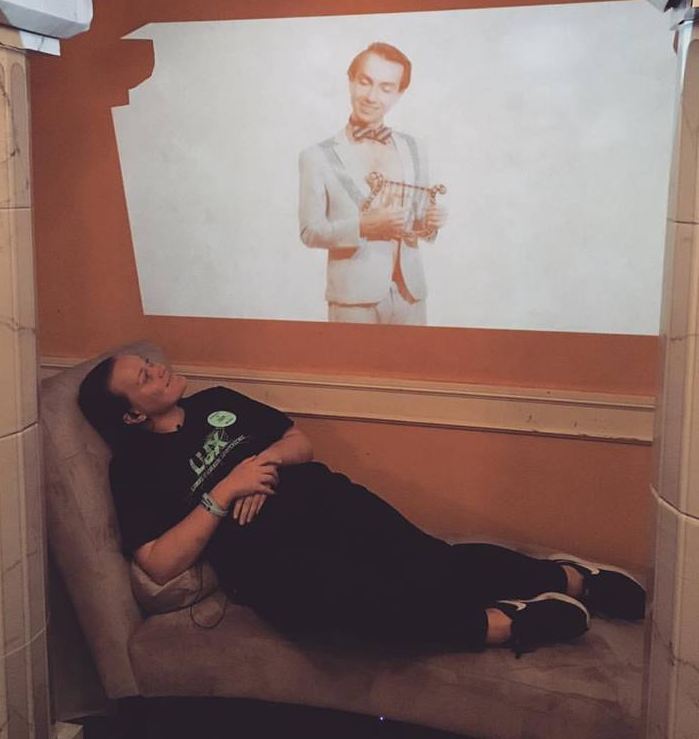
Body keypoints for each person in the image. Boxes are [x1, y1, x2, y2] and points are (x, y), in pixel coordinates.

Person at [78, 352, 646, 659]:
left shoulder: (218, 401)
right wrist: (226, 489)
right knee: (348, 606)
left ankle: (572, 579)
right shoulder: (133, 468)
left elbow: (299, 441)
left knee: (430, 564)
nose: (158, 368)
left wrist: (263, 466)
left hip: (325, 502)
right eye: (143, 376)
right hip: (267, 559)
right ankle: (502, 625)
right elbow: (157, 561)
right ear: (131, 414)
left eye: (149, 362)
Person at [298, 42, 447, 325]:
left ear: (400, 93)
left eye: (386, 88)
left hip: (411, 296)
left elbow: (417, 223)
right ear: (351, 81)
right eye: (365, 82)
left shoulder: (415, 148)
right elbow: (310, 232)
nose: (371, 96)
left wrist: (431, 221)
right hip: (353, 299)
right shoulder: (316, 157)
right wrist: (364, 226)